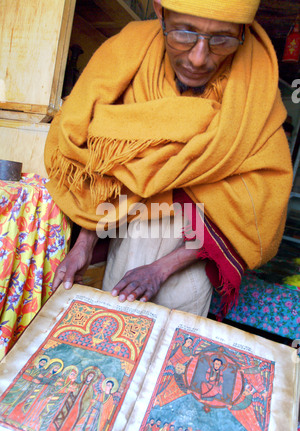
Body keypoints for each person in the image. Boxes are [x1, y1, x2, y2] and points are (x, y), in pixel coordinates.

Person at [44, 0, 293, 318]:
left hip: (184, 271)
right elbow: (101, 167)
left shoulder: (253, 89)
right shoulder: (130, 54)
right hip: (123, 246)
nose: (199, 58)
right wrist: (84, 246)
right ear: (161, 12)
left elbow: (256, 206)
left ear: (242, 31)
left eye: (221, 39)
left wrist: (160, 270)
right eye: (184, 33)